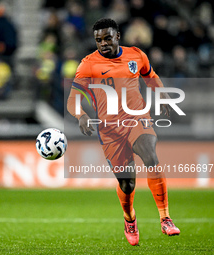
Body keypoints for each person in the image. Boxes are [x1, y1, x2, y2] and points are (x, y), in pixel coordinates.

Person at [67, 18, 180, 246]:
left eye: (107, 38)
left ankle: (165, 218)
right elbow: (73, 99)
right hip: (110, 131)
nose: (103, 44)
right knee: (127, 184)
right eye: (98, 40)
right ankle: (130, 218)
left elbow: (150, 76)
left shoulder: (136, 55)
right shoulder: (88, 65)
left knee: (150, 155)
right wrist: (81, 115)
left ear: (118, 36)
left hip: (137, 118)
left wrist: (163, 94)